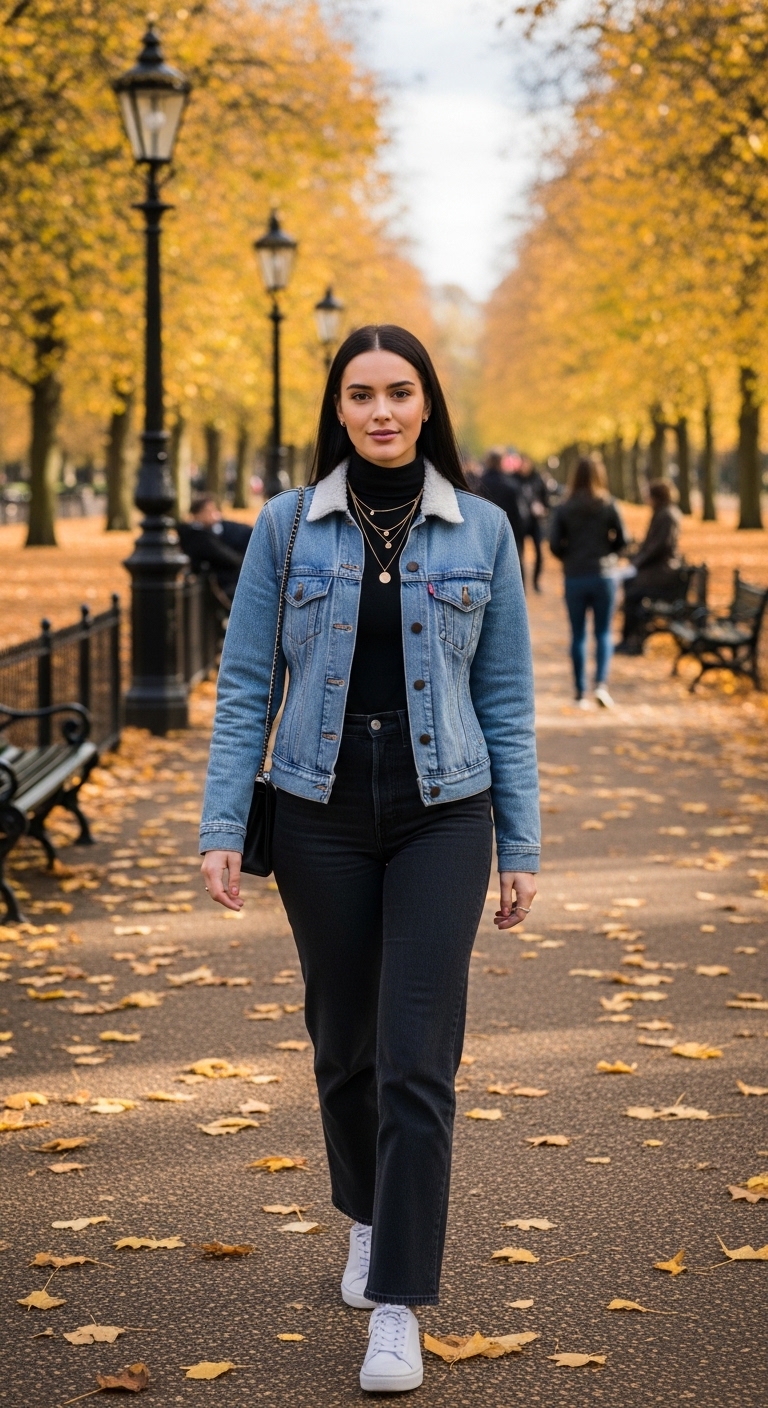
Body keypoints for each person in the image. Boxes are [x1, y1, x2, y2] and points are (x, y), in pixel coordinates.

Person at [199, 325, 540, 1394]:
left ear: (428, 403)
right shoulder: (286, 528)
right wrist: (221, 824)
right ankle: (364, 1213)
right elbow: (247, 683)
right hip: (318, 812)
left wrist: (521, 841)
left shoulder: (482, 529)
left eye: (400, 392)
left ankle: (398, 1301)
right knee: (343, 1043)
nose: (382, 410)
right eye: (362, 395)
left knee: (415, 1057)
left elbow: (509, 702)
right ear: (338, 410)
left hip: (449, 813)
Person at [548, 453, 628, 708]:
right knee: (604, 632)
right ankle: (601, 685)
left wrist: (568, 557)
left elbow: (553, 544)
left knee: (578, 635)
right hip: (604, 575)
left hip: (575, 576)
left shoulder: (564, 506)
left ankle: (581, 692)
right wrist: (610, 552)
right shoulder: (608, 504)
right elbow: (623, 540)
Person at [615, 480, 682, 655]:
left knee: (633, 592)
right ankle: (630, 639)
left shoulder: (666, 515)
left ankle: (632, 641)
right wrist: (634, 561)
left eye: (648, 495)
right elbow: (650, 546)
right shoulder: (662, 513)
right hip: (659, 571)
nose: (645, 499)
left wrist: (636, 564)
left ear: (656, 497)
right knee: (630, 586)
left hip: (663, 574)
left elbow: (658, 547)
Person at [176, 494, 253, 602]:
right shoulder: (198, 537)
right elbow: (225, 557)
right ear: (197, 515)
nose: (213, 514)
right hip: (221, 586)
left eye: (213, 510)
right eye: (207, 511)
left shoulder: (226, 529)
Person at [513, 456, 551, 593]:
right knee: (519, 554)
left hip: (536, 522)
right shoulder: (514, 479)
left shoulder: (538, 478)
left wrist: (543, 508)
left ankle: (536, 582)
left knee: (539, 553)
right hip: (520, 522)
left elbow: (546, 498)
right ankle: (522, 584)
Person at [477, 447, 524, 552]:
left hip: (484, 533)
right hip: (507, 532)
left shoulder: (478, 484)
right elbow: (517, 515)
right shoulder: (510, 485)